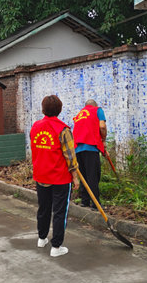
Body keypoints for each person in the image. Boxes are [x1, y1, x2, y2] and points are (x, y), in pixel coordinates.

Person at [30, 95, 80, 257]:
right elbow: (70, 156)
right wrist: (75, 177)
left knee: (43, 208)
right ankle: (56, 247)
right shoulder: (63, 130)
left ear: (43, 109)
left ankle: (42, 238)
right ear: (59, 109)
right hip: (60, 178)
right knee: (59, 212)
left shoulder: (35, 127)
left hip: (41, 175)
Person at [72, 99, 107, 210]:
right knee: (93, 175)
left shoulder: (79, 114)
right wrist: (103, 141)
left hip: (78, 148)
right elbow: (102, 127)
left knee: (84, 175)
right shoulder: (98, 110)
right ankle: (95, 204)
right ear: (94, 105)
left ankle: (85, 201)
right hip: (91, 146)